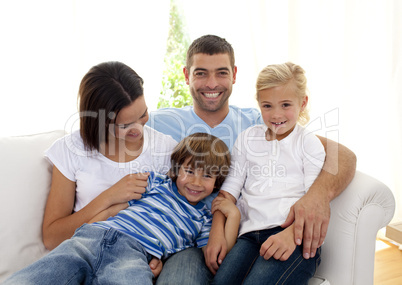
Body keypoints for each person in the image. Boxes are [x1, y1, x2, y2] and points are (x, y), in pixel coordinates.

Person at [147, 35, 356, 284]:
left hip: (262, 232)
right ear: (186, 75)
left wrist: (317, 198)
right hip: (196, 238)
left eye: (221, 73)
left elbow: (342, 155)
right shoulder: (160, 122)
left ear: (234, 74)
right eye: (201, 73)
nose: (212, 83)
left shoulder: (267, 125)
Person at [3, 133, 238, 285]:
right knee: (39, 276)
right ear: (176, 169)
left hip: (135, 255)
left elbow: (219, 254)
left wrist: (232, 213)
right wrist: (93, 224)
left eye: (207, 176)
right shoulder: (155, 182)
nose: (196, 182)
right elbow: (116, 206)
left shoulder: (202, 219)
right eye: (189, 171)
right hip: (94, 236)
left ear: (216, 183)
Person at [41, 61, 177, 276]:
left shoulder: (165, 150)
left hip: (131, 259)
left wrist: (160, 256)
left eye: (143, 115)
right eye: (124, 125)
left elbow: (176, 218)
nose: (138, 129)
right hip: (81, 251)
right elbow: (52, 237)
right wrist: (108, 198)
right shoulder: (71, 149)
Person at [212, 62, 325, 284]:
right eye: (267, 106)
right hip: (248, 237)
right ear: (258, 105)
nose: (276, 115)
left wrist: (292, 235)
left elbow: (314, 203)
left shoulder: (308, 143)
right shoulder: (247, 139)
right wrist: (216, 233)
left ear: (302, 103)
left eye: (285, 105)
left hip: (293, 237)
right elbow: (228, 193)